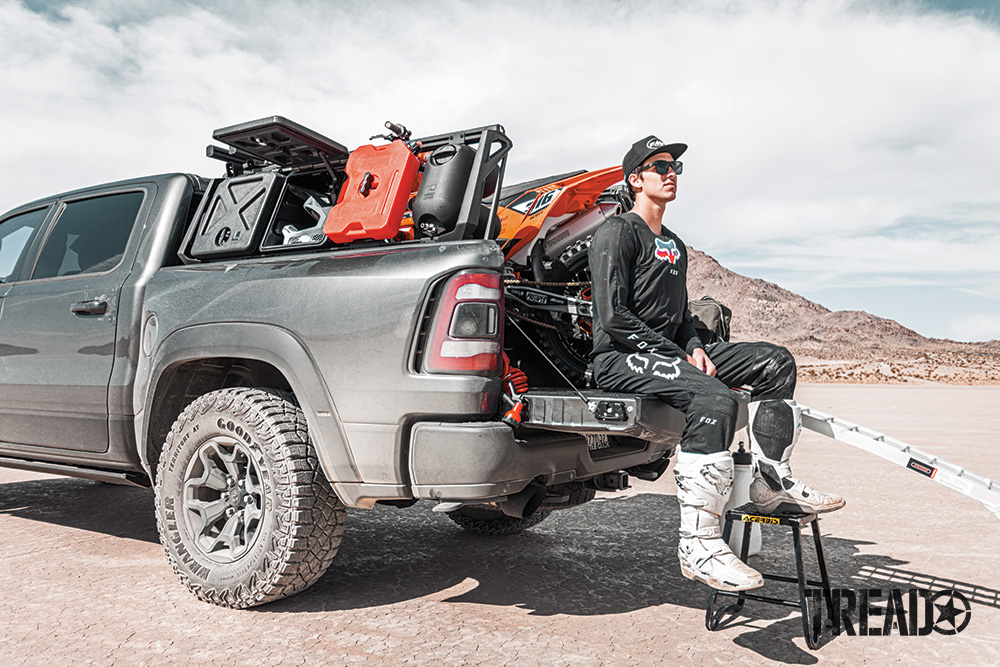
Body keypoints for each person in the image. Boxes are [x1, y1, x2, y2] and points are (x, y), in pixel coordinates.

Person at [588, 136, 845, 592]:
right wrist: (678, 354)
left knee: (775, 362)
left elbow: (682, 315)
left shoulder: (676, 245)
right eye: (659, 166)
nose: (671, 173)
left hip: (670, 349)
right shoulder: (617, 232)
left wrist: (694, 345)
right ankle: (699, 543)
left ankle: (768, 482)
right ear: (635, 179)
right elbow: (614, 317)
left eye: (675, 168)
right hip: (621, 356)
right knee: (715, 398)